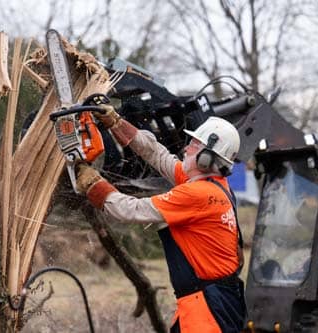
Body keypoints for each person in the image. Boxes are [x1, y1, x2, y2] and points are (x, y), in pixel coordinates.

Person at [76, 105, 246, 333]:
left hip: (206, 312)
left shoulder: (198, 195)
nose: (186, 148)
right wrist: (117, 123)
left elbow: (130, 210)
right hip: (211, 302)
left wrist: (92, 184)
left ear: (207, 158)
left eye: (194, 145)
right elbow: (157, 154)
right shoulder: (216, 187)